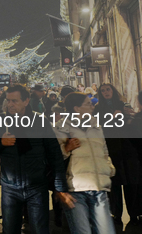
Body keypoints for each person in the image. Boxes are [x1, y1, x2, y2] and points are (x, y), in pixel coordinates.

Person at [0, 85, 73, 234]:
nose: (10, 104)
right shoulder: (0, 120)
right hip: (10, 187)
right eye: (8, 101)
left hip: (36, 186)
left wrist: (60, 187)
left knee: (39, 229)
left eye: (14, 101)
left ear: (26, 101)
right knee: (10, 229)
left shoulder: (40, 121)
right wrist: (0, 142)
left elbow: (54, 154)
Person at [55, 93, 115, 234]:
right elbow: (54, 157)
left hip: (99, 186)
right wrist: (66, 148)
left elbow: (104, 150)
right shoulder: (61, 127)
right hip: (75, 189)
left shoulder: (96, 125)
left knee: (106, 231)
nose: (92, 106)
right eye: (88, 104)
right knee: (82, 231)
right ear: (76, 108)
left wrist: (108, 169)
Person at [95, 83, 140, 225]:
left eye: (108, 89)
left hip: (127, 149)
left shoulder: (123, 105)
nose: (106, 92)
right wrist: (112, 117)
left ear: (113, 91)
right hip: (110, 149)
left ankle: (134, 214)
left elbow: (131, 125)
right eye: (102, 91)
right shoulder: (98, 109)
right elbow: (99, 126)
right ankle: (116, 214)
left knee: (131, 182)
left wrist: (129, 116)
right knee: (114, 184)